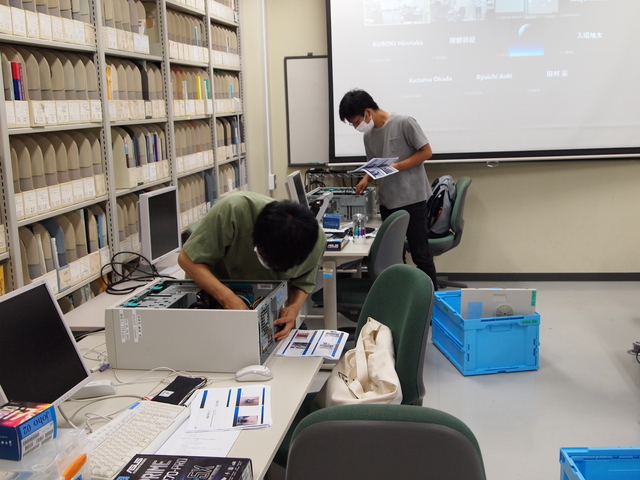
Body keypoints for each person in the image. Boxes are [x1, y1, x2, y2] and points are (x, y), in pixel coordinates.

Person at [178, 191, 327, 340]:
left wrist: (293, 308)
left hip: (262, 308)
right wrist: (227, 298)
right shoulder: (233, 210)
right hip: (211, 296)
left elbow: (303, 283)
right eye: (265, 257)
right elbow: (186, 259)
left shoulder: (315, 243)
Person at [339, 89, 438, 290]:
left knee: (421, 255)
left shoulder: (404, 122)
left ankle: (432, 300)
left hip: (413, 199)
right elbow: (375, 164)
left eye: (356, 122)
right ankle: (401, 298)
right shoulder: (369, 135)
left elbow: (426, 152)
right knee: (394, 258)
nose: (356, 127)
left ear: (367, 111)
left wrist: (397, 166)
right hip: (388, 201)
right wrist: (366, 177)